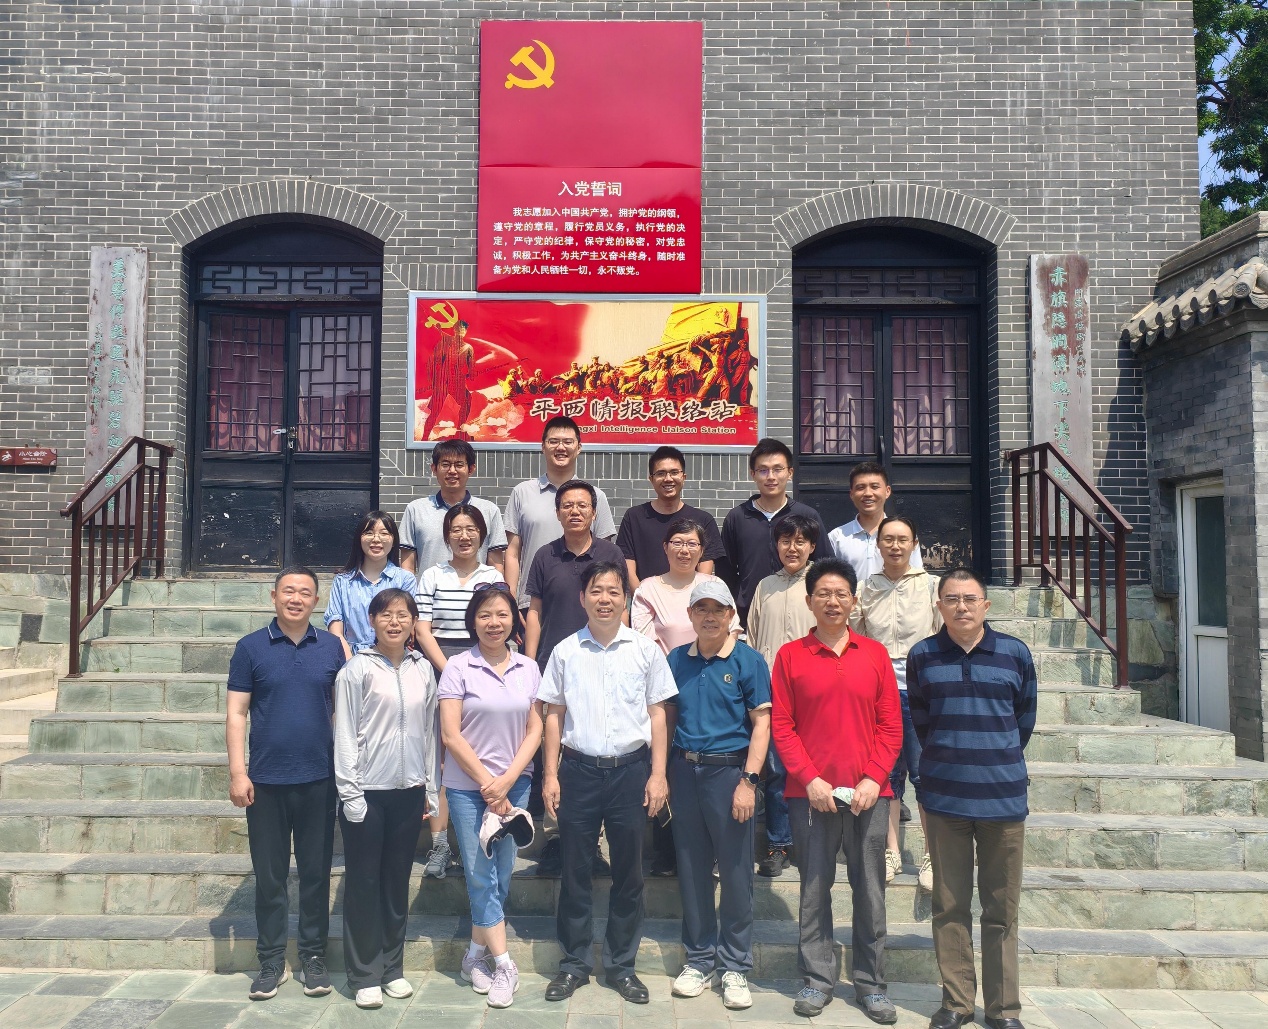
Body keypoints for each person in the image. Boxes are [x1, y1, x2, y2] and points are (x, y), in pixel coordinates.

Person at [537, 561, 677, 1006]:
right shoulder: (565, 651)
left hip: (630, 773)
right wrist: (551, 774)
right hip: (578, 772)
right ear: (583, 598)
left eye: (614, 591)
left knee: (629, 874)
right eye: (596, 591)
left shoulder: (645, 650)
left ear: (624, 599)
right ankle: (574, 964)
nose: (605, 599)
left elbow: (658, 715)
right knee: (575, 870)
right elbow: (553, 715)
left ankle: (621, 966)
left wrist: (658, 774)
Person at [771, 558, 902, 1023]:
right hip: (810, 795)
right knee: (813, 888)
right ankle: (817, 979)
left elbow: (891, 726)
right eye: (823, 594)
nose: (832, 601)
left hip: (870, 795)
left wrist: (873, 778)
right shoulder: (791, 656)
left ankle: (872, 984)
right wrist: (810, 779)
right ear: (809, 601)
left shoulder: (875, 654)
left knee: (870, 892)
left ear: (854, 600)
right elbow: (782, 727)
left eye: (841, 593)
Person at [907, 569, 1036, 1029]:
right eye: (951, 599)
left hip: (1003, 799)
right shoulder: (923, 656)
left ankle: (1003, 1010)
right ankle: (957, 1003)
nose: (961, 607)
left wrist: (992, 758)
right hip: (946, 799)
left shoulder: (1014, 653)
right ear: (939, 605)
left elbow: (1023, 720)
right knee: (949, 905)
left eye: (969, 598)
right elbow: (921, 721)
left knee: (1002, 910)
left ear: (986, 605)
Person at [226, 567, 345, 1002]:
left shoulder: (331, 647)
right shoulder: (250, 647)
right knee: (270, 877)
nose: (296, 598)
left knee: (315, 874)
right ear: (273, 596)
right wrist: (238, 772)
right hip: (266, 781)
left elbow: (343, 712)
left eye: (305, 593)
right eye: (289, 591)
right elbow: (236, 713)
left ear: (317, 601)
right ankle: (271, 961)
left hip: (319, 779)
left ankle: (313, 957)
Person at [666, 580, 771, 1012]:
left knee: (735, 871)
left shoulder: (748, 660)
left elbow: (762, 725)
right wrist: (661, 774)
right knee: (691, 868)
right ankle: (699, 959)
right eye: (701, 609)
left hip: (729, 774)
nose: (709, 616)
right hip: (684, 771)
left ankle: (734, 965)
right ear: (690, 615)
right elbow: (666, 718)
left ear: (731, 615)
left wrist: (749, 781)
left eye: (718, 609)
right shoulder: (676, 659)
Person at [333, 588, 440, 1010]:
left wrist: (430, 786)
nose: (395, 622)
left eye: (403, 615)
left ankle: (392, 969)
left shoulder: (423, 669)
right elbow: (343, 733)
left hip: (408, 792)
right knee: (363, 884)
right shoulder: (356, 670)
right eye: (386, 615)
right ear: (372, 621)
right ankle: (365, 974)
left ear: (414, 623)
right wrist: (350, 792)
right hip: (366, 793)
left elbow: (429, 733)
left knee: (396, 884)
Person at [439, 584, 544, 1010]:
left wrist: (507, 781)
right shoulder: (458, 666)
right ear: (473, 621)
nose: (493, 622)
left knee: (500, 873)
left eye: (502, 614)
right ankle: (504, 965)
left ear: (514, 620)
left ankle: (472, 956)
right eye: (484, 615)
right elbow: (451, 734)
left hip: (515, 786)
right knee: (480, 873)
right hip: (467, 788)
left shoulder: (528, 668)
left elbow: (536, 730)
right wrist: (488, 783)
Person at [524, 478, 625, 876]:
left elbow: (620, 605)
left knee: (593, 745)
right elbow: (534, 612)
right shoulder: (545, 555)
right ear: (558, 512)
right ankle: (554, 839)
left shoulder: (610, 553)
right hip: (554, 664)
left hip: (600, 662)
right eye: (567, 506)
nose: (575, 511)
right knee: (554, 749)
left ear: (594, 512)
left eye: (583, 505)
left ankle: (592, 843)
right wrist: (530, 664)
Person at [630, 516, 738, 877]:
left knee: (710, 768)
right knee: (667, 766)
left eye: (692, 543)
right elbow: (644, 644)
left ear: (702, 550)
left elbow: (733, 631)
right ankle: (668, 852)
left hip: (713, 685)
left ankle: (715, 851)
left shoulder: (714, 584)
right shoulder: (649, 589)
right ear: (665, 547)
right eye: (677, 542)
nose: (684, 550)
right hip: (666, 691)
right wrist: (672, 676)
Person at [414, 503, 506, 879]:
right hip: (442, 664)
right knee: (441, 757)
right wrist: (450, 669)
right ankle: (439, 845)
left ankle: (487, 835)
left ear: (482, 535)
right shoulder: (432, 575)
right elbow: (422, 629)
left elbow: (498, 623)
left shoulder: (493, 576)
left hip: (486, 664)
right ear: (446, 536)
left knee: (482, 751)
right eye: (456, 529)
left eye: (471, 529)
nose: (464, 536)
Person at [850, 515, 942, 889]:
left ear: (914, 544)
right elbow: (856, 637)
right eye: (888, 539)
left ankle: (932, 854)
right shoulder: (864, 588)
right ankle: (890, 850)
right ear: (878, 545)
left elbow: (942, 637)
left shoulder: (931, 586)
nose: (895, 546)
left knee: (924, 773)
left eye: (903, 539)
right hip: (879, 694)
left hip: (920, 693)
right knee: (886, 775)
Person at [745, 513, 820, 878]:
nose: (793, 548)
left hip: (816, 691)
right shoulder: (765, 587)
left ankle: (814, 843)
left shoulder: (822, 584)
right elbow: (753, 638)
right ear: (776, 545)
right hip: (773, 692)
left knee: (816, 767)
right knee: (777, 770)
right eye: (786, 541)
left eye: (800, 541)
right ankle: (779, 844)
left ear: (812, 546)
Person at [504, 415, 617, 612]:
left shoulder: (595, 496)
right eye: (553, 441)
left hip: (585, 602)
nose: (561, 447)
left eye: (568, 442)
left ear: (579, 447)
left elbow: (604, 553)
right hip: (532, 602)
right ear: (543, 446)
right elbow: (512, 553)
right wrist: (511, 598)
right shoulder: (522, 492)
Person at [720, 437, 830, 628]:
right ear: (753, 474)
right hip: (749, 616)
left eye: (778, 469)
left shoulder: (806, 515)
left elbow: (825, 566)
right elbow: (725, 572)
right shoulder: (737, 517)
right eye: (763, 470)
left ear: (790, 473)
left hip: (801, 616)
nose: (771, 476)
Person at [616, 445, 726, 590]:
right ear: (651, 479)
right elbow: (628, 567)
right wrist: (643, 598)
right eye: (661, 473)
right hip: (646, 600)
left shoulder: (703, 520)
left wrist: (690, 600)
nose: (668, 479)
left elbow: (704, 572)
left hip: (690, 602)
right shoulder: (634, 517)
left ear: (683, 477)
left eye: (674, 472)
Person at [399, 438, 507, 574]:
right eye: (445, 464)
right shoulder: (415, 510)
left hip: (477, 588)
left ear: (471, 469)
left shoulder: (489, 511)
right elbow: (407, 566)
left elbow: (496, 565)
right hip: (430, 588)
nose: (452, 471)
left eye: (459, 465)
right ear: (434, 469)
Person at [324, 511, 418, 660]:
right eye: (369, 533)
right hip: (351, 657)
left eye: (384, 533)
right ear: (359, 539)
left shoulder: (405, 580)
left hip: (393, 659)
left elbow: (407, 625)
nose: (376, 539)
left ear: (394, 540)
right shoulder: (343, 580)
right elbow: (335, 627)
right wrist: (350, 664)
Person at [828, 462, 924, 585]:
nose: (868, 493)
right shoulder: (837, 537)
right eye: (860, 487)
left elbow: (917, 577)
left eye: (874, 487)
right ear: (851, 494)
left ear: (887, 491)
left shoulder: (904, 534)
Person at [422, 319, 475, 441]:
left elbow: (471, 368)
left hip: (457, 382)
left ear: (465, 331)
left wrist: (468, 374)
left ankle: (460, 433)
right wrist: (436, 381)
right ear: (455, 330)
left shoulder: (468, 348)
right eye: (459, 328)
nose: (461, 330)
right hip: (443, 382)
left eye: (463, 329)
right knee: (435, 411)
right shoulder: (445, 343)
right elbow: (434, 362)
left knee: (466, 401)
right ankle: (424, 438)